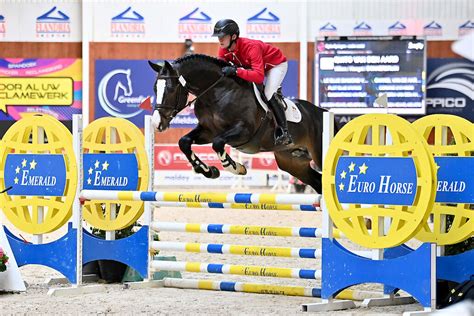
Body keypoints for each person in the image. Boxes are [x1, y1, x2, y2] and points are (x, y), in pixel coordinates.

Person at [212, 19, 293, 146]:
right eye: (218, 37)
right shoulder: (223, 49)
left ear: (233, 36)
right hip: (255, 67)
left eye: (222, 36)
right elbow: (220, 70)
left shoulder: (251, 47)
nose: (220, 40)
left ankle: (284, 131)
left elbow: (259, 77)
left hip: (275, 65)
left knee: (268, 94)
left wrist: (236, 71)